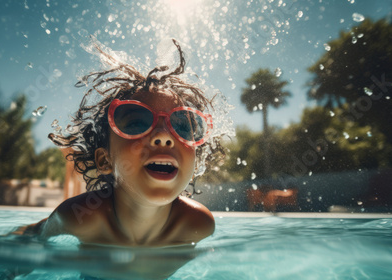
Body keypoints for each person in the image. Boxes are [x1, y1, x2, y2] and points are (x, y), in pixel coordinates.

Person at [15, 39, 231, 248]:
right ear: (104, 159)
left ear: (194, 164)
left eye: (182, 127)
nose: (164, 136)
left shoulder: (197, 226)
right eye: (138, 123)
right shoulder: (79, 219)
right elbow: (30, 240)